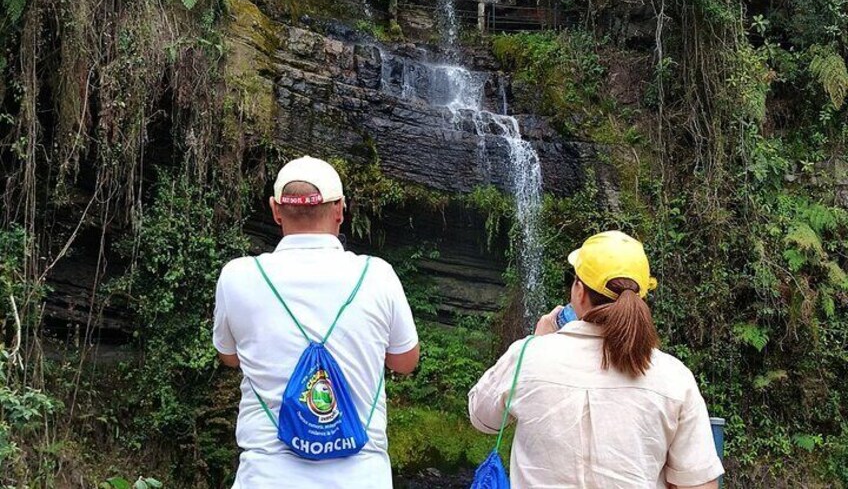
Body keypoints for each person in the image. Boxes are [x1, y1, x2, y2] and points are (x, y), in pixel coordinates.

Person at [213, 155, 420, 488]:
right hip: (361, 477)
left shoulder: (238, 276)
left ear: (276, 209)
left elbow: (229, 356)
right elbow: (405, 362)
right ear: (340, 209)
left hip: (267, 477)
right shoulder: (377, 275)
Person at [468, 230, 724, 488]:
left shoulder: (528, 356)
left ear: (578, 291)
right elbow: (700, 483)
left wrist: (536, 342)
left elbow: (483, 418)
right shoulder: (674, 377)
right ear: (640, 297)